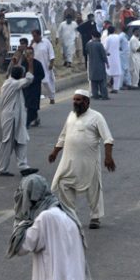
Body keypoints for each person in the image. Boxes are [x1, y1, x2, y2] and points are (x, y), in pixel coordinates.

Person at [49, 90, 116, 229]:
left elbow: (108, 138)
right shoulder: (71, 116)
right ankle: (70, 215)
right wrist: (55, 152)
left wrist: (108, 156)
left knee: (94, 189)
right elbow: (63, 136)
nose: (75, 102)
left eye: (78, 100)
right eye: (74, 99)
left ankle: (95, 217)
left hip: (89, 162)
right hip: (70, 162)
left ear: (87, 102)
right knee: (63, 183)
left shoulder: (97, 117)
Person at [0, 65, 39, 177]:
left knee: (21, 140)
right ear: (20, 75)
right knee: (7, 143)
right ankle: (2, 169)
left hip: (16, 117)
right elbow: (29, 80)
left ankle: (23, 166)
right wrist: (30, 64)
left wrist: (16, 61)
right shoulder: (12, 84)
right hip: (10, 117)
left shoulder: (11, 82)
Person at [19, 48, 46, 128]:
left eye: (30, 53)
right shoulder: (23, 64)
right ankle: (34, 118)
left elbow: (42, 75)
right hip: (26, 88)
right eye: (27, 53)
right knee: (28, 105)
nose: (28, 55)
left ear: (33, 54)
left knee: (33, 105)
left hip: (35, 88)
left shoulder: (37, 64)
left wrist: (34, 80)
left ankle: (27, 122)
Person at [30, 29, 57, 104]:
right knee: (35, 84)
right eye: (33, 36)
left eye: (35, 36)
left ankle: (52, 97)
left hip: (45, 66)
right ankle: (35, 100)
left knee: (47, 82)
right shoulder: (33, 44)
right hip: (35, 67)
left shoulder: (46, 42)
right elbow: (28, 53)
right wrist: (31, 44)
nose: (34, 38)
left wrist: (51, 63)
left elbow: (51, 53)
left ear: (39, 35)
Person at [85, 35, 109, 100]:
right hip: (100, 65)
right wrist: (107, 63)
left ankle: (95, 95)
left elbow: (86, 52)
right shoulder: (100, 45)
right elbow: (103, 55)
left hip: (92, 65)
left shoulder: (88, 44)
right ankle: (104, 95)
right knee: (102, 82)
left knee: (93, 82)